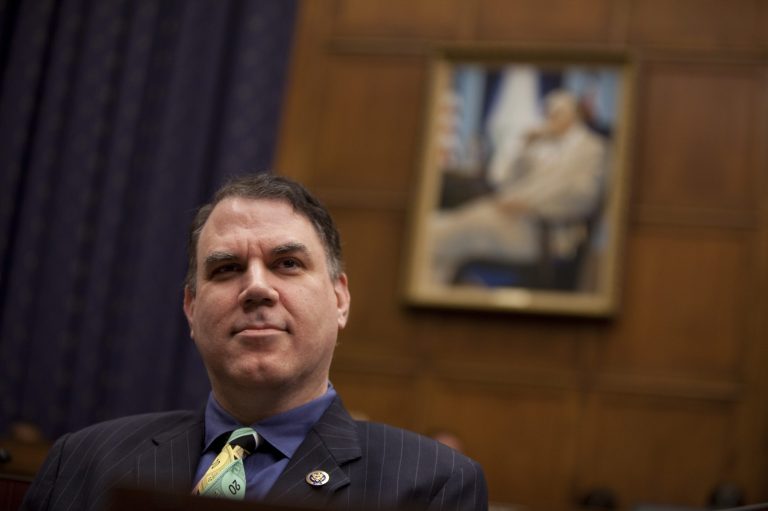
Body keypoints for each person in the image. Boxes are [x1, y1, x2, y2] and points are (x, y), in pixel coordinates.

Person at [21, 174, 488, 511]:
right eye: (226, 269)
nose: (257, 288)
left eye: (287, 264)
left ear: (340, 299)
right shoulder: (82, 460)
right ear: (190, 308)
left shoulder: (432, 485)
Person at [430, 89, 608, 287]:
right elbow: (509, 183)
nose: (550, 118)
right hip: (513, 219)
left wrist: (530, 205)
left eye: (557, 112)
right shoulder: (545, 147)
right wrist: (526, 147)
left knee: (451, 233)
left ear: (574, 114)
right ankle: (441, 287)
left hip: (544, 232)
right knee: (443, 226)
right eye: (548, 113)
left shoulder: (593, 148)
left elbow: (583, 196)